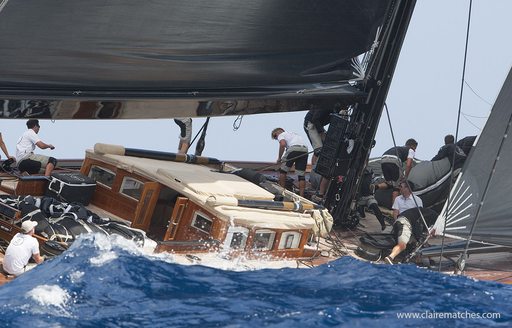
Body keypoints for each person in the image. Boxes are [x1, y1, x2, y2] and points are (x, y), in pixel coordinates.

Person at [271, 127, 309, 197]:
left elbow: (282, 144)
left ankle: (281, 193)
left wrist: (279, 158)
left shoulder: (281, 134)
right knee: (301, 175)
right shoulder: (294, 134)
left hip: (293, 149)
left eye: (275, 137)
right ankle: (301, 196)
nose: (277, 139)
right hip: (304, 150)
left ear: (277, 132)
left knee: (283, 171)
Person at [356, 165, 390, 231]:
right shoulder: (358, 176)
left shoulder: (370, 176)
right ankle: (361, 210)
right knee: (360, 212)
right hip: (358, 198)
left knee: (374, 206)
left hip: (368, 197)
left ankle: (383, 225)